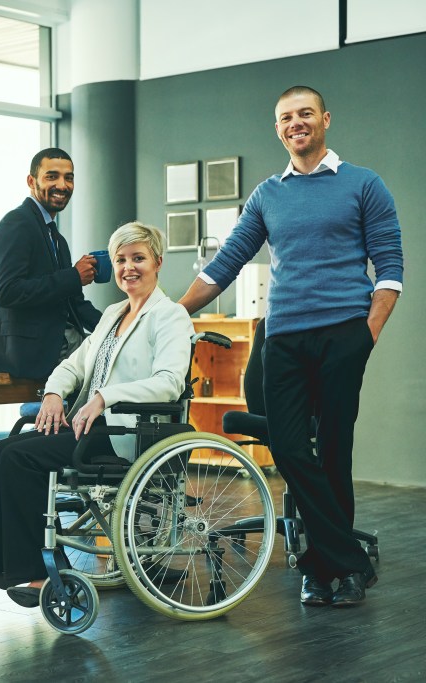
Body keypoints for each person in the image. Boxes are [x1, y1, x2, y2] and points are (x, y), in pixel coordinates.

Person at [179, 86, 403, 608]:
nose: (296, 123)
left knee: (334, 450)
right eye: (286, 117)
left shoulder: (364, 184)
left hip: (343, 334)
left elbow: (390, 269)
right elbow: (224, 264)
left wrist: (365, 336)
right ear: (277, 129)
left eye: (305, 114)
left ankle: (323, 570)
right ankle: (346, 561)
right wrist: (168, 311)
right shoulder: (267, 194)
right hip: (282, 337)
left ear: (324, 119)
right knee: (287, 445)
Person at [0, 222, 192, 608]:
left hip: (126, 433)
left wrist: (104, 396)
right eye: (121, 260)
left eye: (138, 259)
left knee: (18, 457)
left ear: (158, 262)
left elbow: (169, 383)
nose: (129, 267)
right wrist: (51, 394)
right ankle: (6, 566)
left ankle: (36, 570)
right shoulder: (114, 313)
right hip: (91, 428)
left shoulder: (171, 316)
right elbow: (73, 365)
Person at [0, 148, 103, 380]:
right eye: (52, 176)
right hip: (31, 353)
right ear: (32, 181)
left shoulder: (55, 237)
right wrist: (73, 276)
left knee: (118, 359)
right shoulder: (16, 224)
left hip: (60, 344)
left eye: (68, 178)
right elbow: (8, 292)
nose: (62, 185)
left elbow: (73, 302)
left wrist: (118, 325)